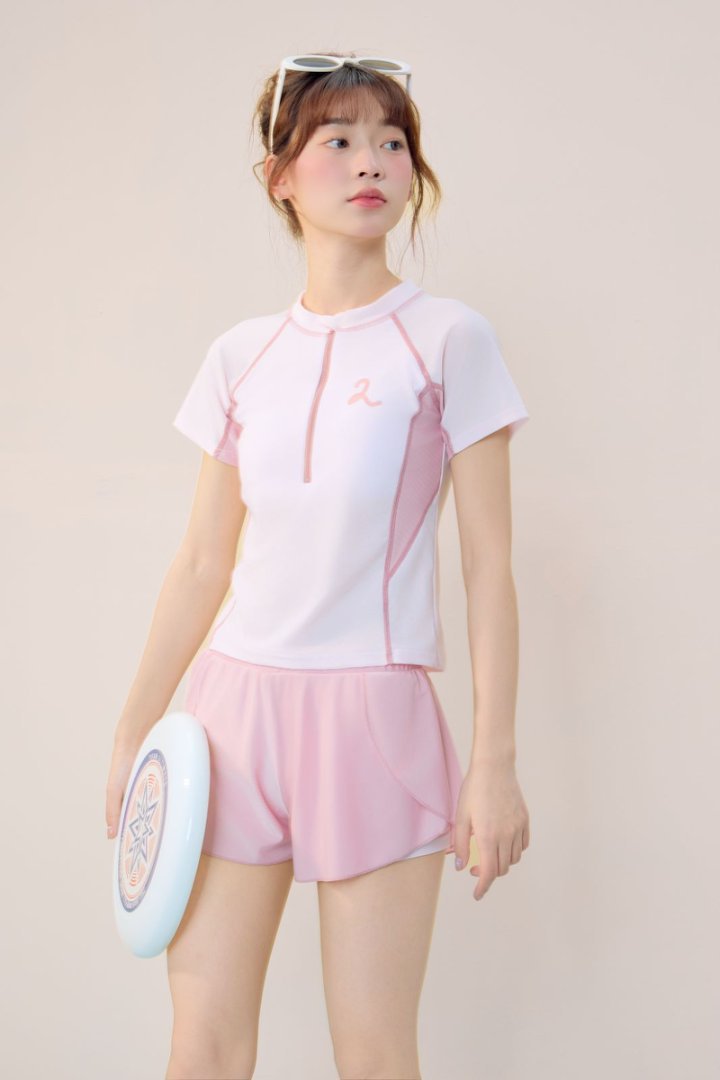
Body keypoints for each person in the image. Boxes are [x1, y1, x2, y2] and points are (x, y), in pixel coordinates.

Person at [105, 52, 531, 1080]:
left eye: (392, 141)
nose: (370, 161)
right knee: (203, 1046)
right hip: (228, 722)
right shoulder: (239, 354)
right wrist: (132, 736)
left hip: (374, 720)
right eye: (337, 140)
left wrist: (494, 762)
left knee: (374, 1055)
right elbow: (201, 562)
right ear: (280, 177)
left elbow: (488, 566)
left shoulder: (449, 340)